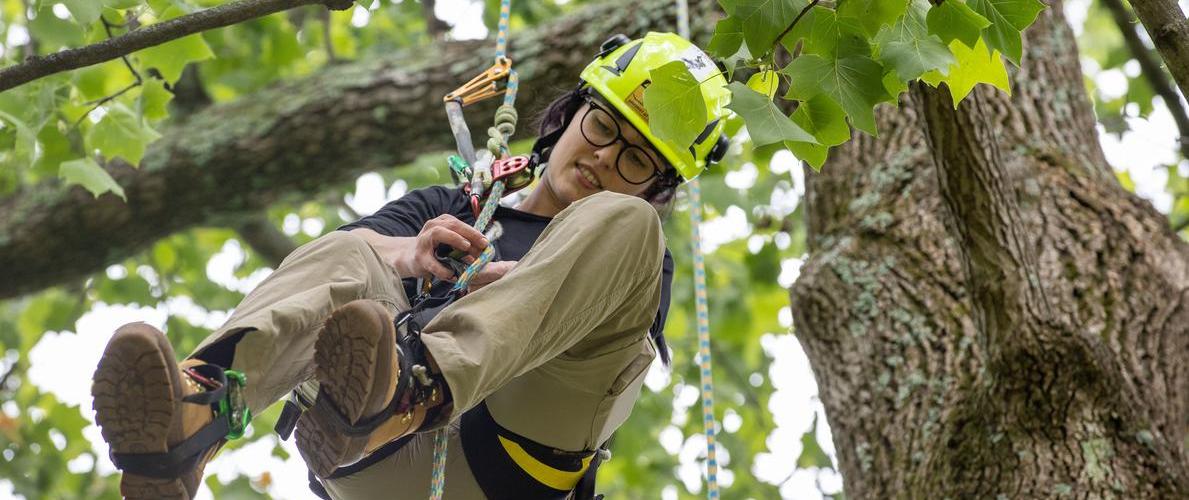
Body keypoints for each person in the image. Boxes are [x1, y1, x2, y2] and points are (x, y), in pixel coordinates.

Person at [90, 32, 730, 500]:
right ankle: (195, 415)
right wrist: (414, 256)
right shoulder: (452, 208)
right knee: (352, 249)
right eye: (603, 127)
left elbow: (611, 370)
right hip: (371, 451)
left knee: (626, 227)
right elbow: (334, 267)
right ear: (569, 115)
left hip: (512, 460)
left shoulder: (629, 242)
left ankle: (417, 386)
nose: (605, 160)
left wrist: (507, 295)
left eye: (637, 162)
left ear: (656, 185)